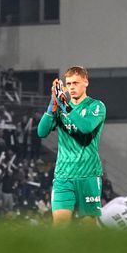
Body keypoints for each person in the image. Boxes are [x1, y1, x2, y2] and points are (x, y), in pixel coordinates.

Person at [36, 66, 107, 225]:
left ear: (86, 82)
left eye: (76, 82)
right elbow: (41, 132)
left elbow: (86, 127)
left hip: (88, 174)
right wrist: (51, 106)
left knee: (88, 226)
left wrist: (65, 107)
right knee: (59, 226)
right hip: (63, 175)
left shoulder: (96, 106)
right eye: (68, 84)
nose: (72, 87)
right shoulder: (61, 108)